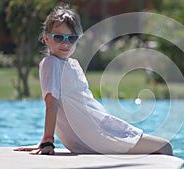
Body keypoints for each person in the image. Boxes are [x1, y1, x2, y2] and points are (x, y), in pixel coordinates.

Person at [14, 5, 172, 156]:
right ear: (46, 38)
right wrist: (47, 141)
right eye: (58, 37)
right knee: (165, 147)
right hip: (95, 134)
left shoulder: (70, 63)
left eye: (71, 38)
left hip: (95, 130)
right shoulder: (52, 63)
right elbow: (52, 103)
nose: (65, 43)